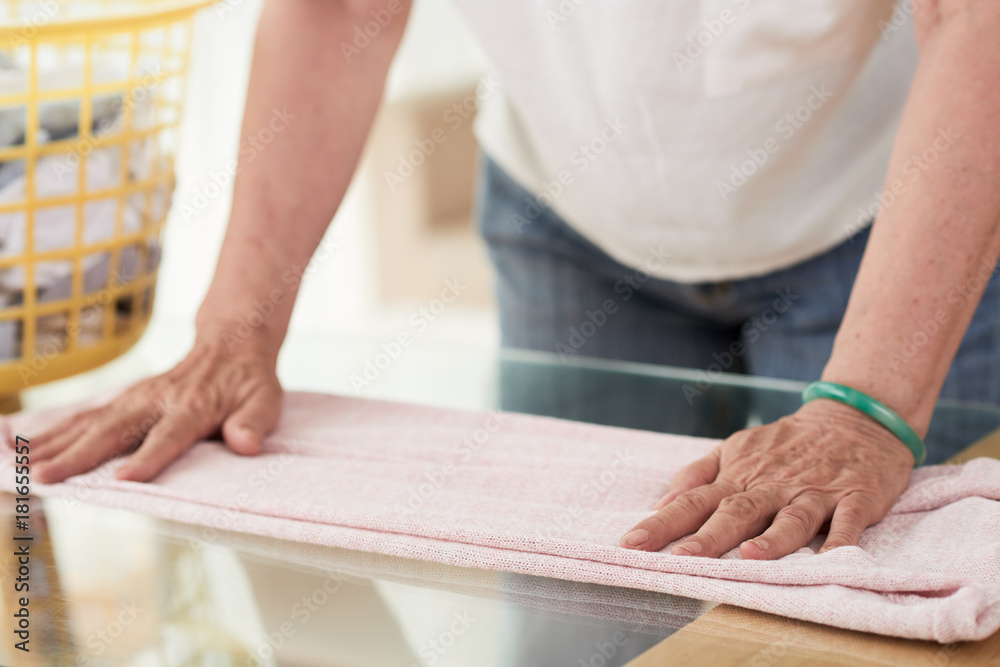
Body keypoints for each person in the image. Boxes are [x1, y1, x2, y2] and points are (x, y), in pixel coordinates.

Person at [30, 0, 1000, 561]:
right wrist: (233, 329)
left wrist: (864, 406)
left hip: (883, 217)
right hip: (566, 215)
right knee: (577, 625)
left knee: (848, 620)